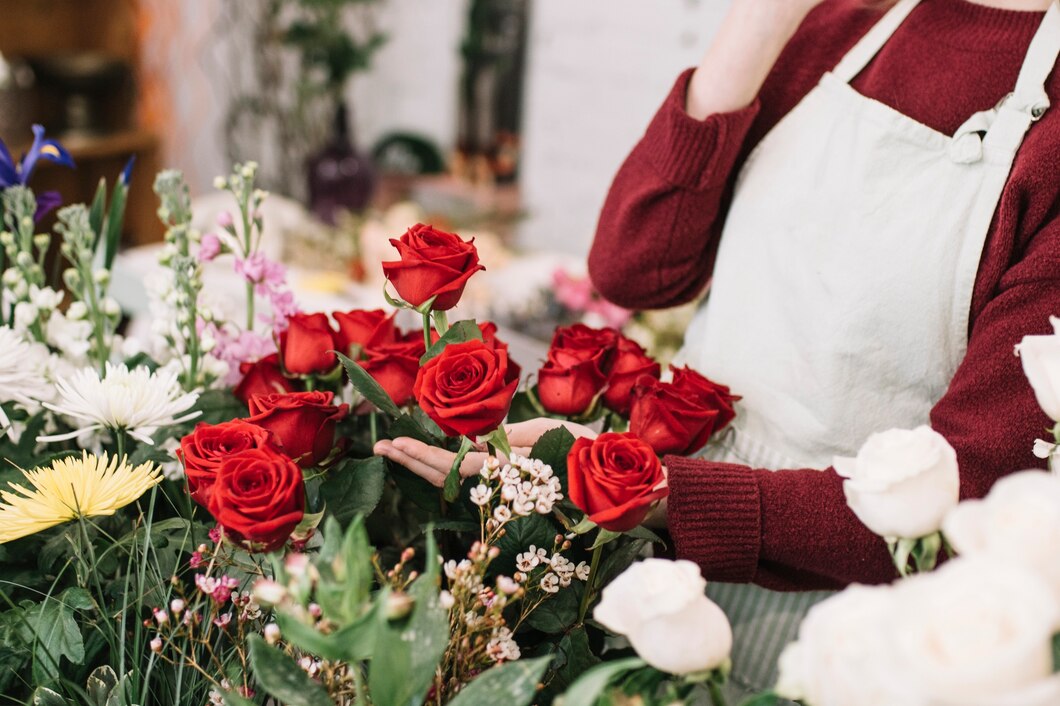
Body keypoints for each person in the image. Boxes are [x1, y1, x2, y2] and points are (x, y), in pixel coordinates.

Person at [376, 0, 1060, 698]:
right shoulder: (841, 24)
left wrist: (663, 493)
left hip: (849, 624)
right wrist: (759, 24)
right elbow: (635, 271)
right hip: (654, 567)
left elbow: (966, 492)